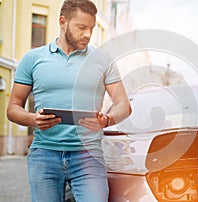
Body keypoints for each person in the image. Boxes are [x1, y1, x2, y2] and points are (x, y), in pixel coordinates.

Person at [6, 0, 131, 201]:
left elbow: (124, 105)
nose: (88, 34)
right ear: (63, 21)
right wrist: (33, 119)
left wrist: (107, 120)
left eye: (91, 28)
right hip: (44, 154)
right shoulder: (32, 59)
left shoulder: (103, 60)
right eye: (81, 27)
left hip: (88, 155)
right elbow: (12, 108)